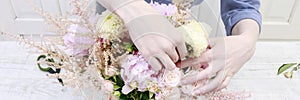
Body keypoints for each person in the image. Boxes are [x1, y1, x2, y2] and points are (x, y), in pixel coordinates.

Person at [96, 0, 262, 95]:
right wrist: (131, 8)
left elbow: (242, 5)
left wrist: (247, 40)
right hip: (111, 32)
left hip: (180, 40)